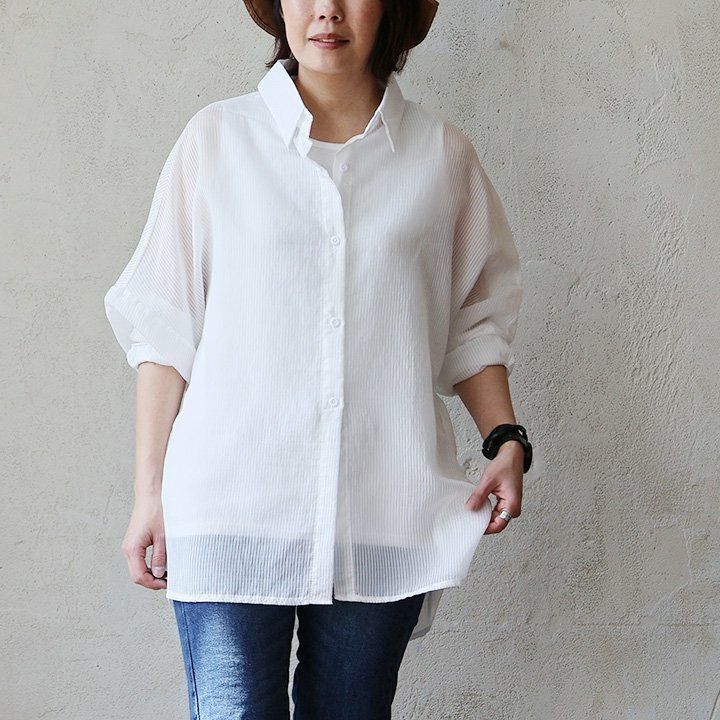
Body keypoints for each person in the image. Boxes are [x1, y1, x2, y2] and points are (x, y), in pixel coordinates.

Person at [103, 0, 533, 717]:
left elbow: (474, 324)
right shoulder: (218, 141)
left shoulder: (441, 157)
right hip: (232, 507)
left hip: (382, 512)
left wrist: (505, 438)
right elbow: (164, 332)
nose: (327, 10)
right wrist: (149, 494)